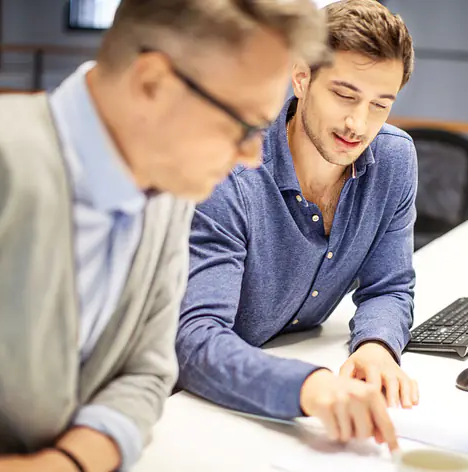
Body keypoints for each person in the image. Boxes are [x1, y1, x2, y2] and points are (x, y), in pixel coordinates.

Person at [0, 0, 325, 470]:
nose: (252, 156)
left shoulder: (167, 187)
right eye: (243, 126)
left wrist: (72, 461)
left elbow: (146, 369)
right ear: (152, 84)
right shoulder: (1, 162)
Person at [177, 0, 418, 451]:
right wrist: (311, 387)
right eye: (344, 95)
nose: (357, 123)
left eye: (379, 105)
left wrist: (376, 345)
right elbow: (196, 339)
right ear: (302, 76)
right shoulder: (232, 170)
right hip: (205, 410)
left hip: (288, 398)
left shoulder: (394, 160)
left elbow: (389, 286)